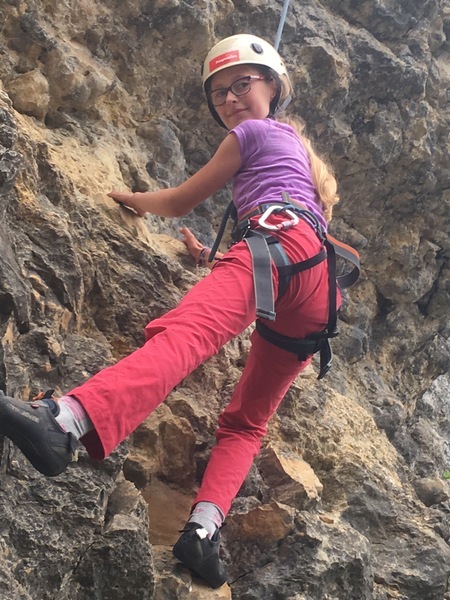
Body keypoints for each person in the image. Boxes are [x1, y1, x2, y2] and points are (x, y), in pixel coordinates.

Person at [0, 34, 343, 589]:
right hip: (318, 291)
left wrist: (131, 199)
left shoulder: (253, 133)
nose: (230, 100)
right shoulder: (300, 160)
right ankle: (203, 532)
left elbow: (181, 200)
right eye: (219, 94)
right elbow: (294, 241)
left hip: (276, 247)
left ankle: (65, 423)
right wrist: (212, 257)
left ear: (273, 86)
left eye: (242, 84)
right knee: (247, 422)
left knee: (184, 339)